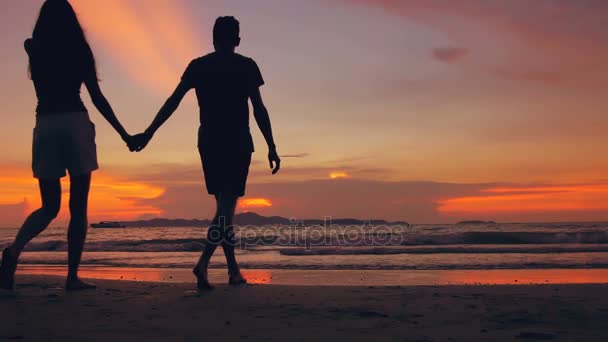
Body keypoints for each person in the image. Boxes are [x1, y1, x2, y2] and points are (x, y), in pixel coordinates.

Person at [130, 16, 280, 290]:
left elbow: (173, 101)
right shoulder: (246, 66)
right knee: (225, 207)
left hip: (209, 141)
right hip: (236, 140)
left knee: (223, 208)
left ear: (213, 39)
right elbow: (259, 108)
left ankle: (233, 271)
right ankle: (203, 264)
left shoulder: (199, 66)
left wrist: (149, 132)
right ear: (237, 40)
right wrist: (271, 145)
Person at [0, 0, 134, 291]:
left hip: (46, 124)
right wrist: (124, 133)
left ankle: (13, 251)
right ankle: (71, 277)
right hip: (75, 122)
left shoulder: (32, 47)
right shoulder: (80, 50)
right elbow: (97, 97)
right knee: (78, 207)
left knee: (49, 206)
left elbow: (33, 43)